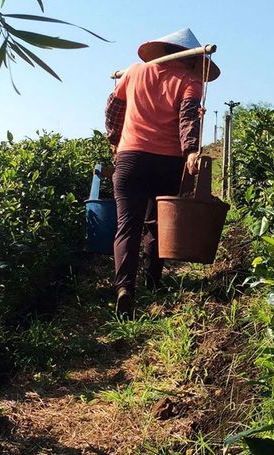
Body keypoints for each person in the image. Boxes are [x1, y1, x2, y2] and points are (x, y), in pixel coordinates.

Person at [104, 28, 220, 316]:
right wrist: (190, 151)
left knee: (127, 226)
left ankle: (124, 288)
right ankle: (153, 280)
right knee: (158, 223)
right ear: (191, 59)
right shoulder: (190, 81)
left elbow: (113, 109)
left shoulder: (133, 72)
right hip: (167, 163)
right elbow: (188, 117)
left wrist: (115, 141)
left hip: (130, 159)